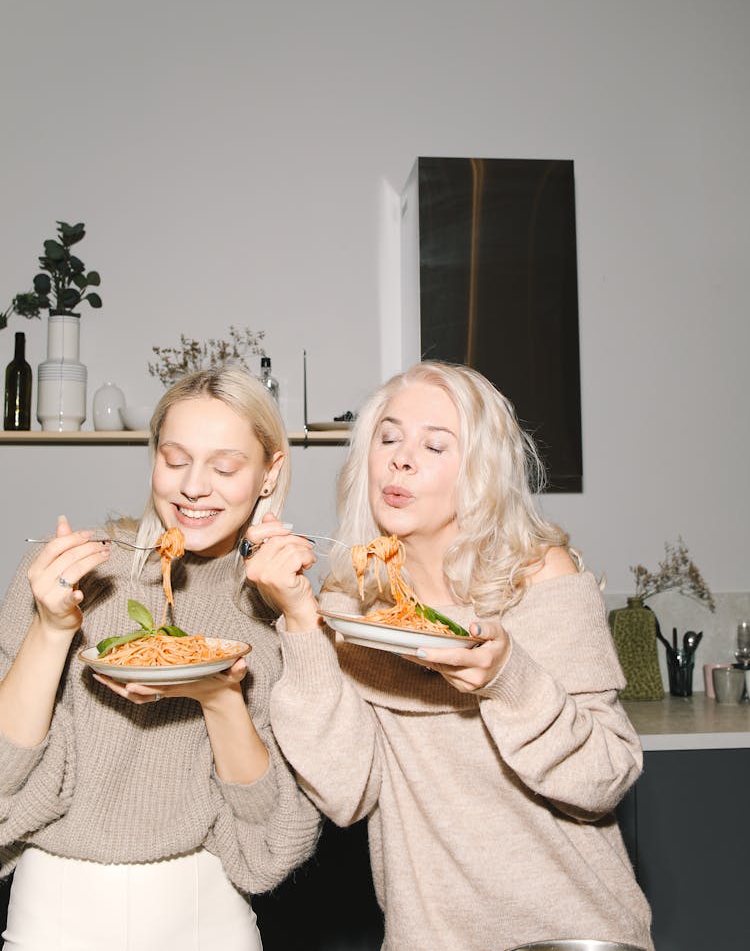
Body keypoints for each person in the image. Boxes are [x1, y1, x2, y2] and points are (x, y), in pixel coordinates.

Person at [244, 361, 654, 951]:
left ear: (480, 473)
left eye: (434, 445)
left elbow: (604, 779)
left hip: (572, 931)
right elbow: (345, 793)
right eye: (388, 438)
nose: (401, 458)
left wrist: (508, 679)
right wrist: (302, 621)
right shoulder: (350, 606)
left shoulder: (539, 579)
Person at [0, 367, 320, 951]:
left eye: (224, 468)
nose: (194, 487)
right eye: (175, 460)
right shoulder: (69, 575)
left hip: (206, 914)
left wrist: (220, 694)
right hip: (55, 912)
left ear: (268, 474)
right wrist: (51, 630)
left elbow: (269, 833)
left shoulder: (281, 608)